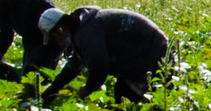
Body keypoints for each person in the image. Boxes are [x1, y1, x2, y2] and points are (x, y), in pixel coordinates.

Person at [38, 6, 169, 104]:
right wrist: (56, 86)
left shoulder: (86, 33)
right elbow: (76, 62)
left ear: (60, 28)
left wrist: (86, 90)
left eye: (53, 37)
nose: (55, 41)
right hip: (144, 48)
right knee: (125, 94)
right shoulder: (82, 25)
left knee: (127, 98)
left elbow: (99, 67)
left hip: (151, 50)